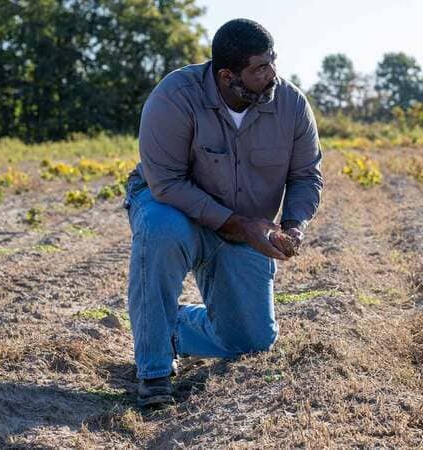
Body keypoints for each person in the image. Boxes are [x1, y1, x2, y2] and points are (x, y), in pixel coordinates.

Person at [123, 18, 323, 407]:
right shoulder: (174, 98)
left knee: (250, 341)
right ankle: (154, 373)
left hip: (244, 223)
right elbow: (167, 184)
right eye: (259, 69)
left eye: (272, 62)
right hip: (175, 208)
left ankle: (167, 326)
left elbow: (306, 175)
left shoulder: (292, 104)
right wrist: (240, 224)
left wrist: (294, 224)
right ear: (227, 75)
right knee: (159, 229)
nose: (272, 76)